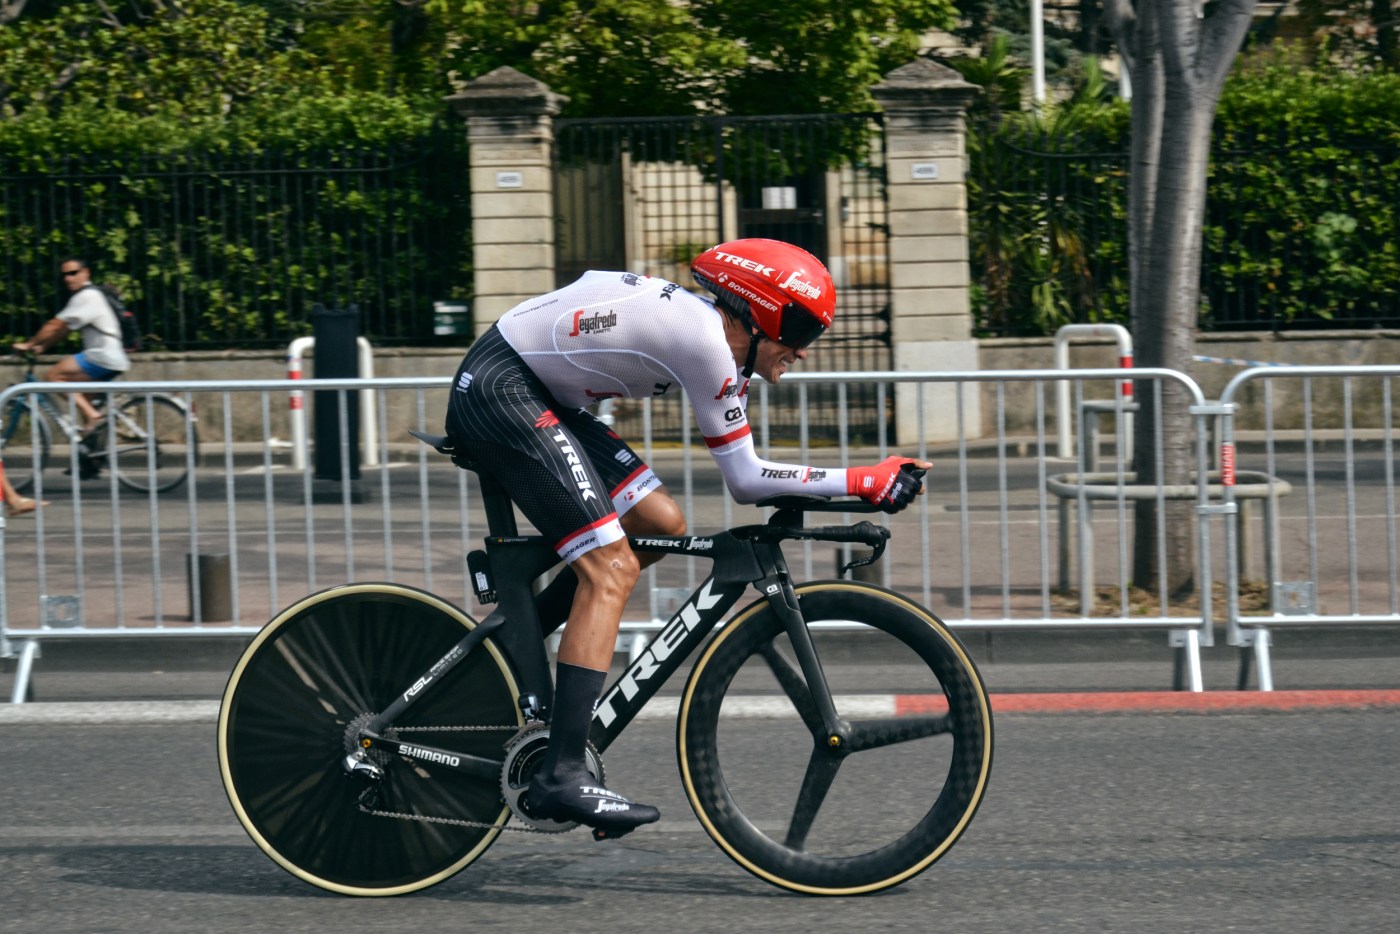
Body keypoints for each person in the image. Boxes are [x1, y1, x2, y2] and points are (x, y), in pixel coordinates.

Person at [444, 238, 929, 838]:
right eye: (801, 328)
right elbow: (748, 481)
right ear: (760, 311)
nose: (803, 350)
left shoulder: (713, 337)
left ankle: (515, 637)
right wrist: (863, 479)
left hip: (537, 391)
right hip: (503, 391)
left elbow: (749, 476)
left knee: (660, 525)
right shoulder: (706, 344)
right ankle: (561, 775)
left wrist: (859, 485)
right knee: (610, 568)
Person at [13, 257, 131, 435]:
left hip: (101, 355)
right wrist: (42, 348)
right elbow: (64, 330)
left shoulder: (86, 296)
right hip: (111, 356)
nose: (68, 278)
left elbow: (55, 324)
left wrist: (29, 344)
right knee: (84, 398)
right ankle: (91, 454)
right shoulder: (89, 296)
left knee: (53, 376)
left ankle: (93, 417)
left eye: (73, 273)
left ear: (85, 273)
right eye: (65, 275)